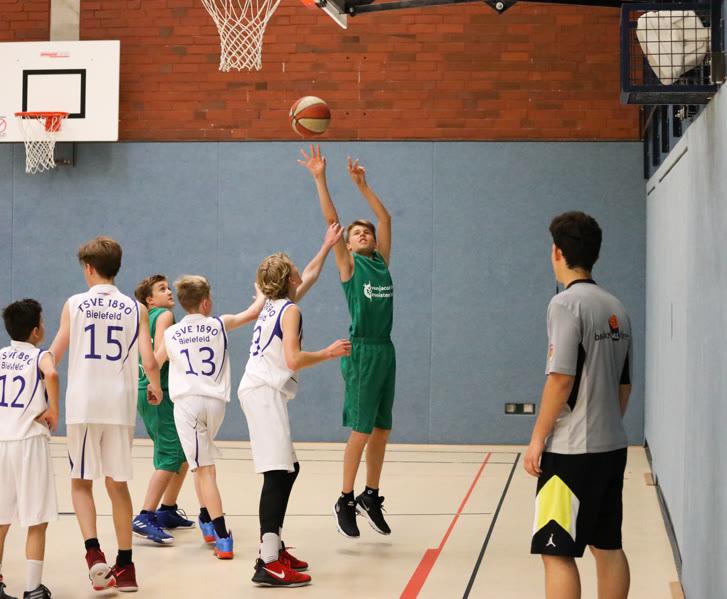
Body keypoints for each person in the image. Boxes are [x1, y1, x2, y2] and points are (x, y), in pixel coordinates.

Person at [523, 212, 632, 599]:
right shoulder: (616, 307)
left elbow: (561, 378)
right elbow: (624, 384)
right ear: (595, 254)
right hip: (612, 447)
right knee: (608, 545)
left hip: (570, 452)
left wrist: (537, 439)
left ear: (557, 252)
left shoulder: (565, 304)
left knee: (557, 552)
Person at [239, 225, 352, 587]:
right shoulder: (289, 311)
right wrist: (328, 353)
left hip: (262, 390)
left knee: (289, 470)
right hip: (263, 392)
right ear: (289, 279)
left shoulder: (276, 304)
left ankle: (274, 547)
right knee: (277, 474)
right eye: (295, 268)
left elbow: (312, 273)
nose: (302, 269)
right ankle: (268, 562)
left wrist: (326, 246)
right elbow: (293, 359)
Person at [49, 236, 163, 593]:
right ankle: (126, 567)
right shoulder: (135, 308)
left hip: (84, 404)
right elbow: (149, 359)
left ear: (88, 268)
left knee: (81, 482)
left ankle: (94, 554)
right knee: (118, 484)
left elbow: (54, 355)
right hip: (119, 404)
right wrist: (155, 387)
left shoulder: (74, 304)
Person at [299, 145, 396, 539]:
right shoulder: (350, 265)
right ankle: (345, 498)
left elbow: (385, 218)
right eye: (357, 233)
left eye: (366, 231)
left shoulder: (381, 262)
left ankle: (371, 495)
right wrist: (320, 178)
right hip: (362, 352)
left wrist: (363, 186)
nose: (364, 233)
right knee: (361, 430)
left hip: (386, 350)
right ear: (349, 244)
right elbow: (333, 221)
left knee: (382, 429)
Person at [154, 275, 264, 560]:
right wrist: (262, 292)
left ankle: (223, 536)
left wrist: (151, 385)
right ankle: (205, 518)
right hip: (215, 404)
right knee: (197, 464)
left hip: (187, 404)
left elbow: (154, 363)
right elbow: (253, 313)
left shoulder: (172, 333)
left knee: (204, 470)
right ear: (206, 303)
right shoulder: (218, 323)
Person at [0, 299, 59, 599]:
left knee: (1, 519)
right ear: (36, 331)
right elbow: (52, 374)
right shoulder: (40, 355)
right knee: (36, 518)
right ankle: (32, 589)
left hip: (1, 441)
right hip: (29, 442)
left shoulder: (0, 355)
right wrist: (54, 409)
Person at [131, 275, 193, 546]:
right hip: (159, 391)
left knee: (183, 453)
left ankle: (167, 510)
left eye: (168, 288)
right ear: (150, 300)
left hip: (154, 389)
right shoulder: (164, 316)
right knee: (170, 453)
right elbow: (160, 351)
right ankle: (145, 516)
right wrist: (153, 383)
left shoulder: (143, 320)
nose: (169, 292)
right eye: (162, 289)